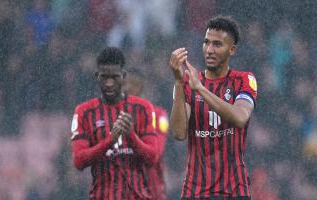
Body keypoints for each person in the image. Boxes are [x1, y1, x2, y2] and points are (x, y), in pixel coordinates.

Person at [169, 16, 258, 200]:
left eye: (217, 44)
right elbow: (178, 133)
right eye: (206, 43)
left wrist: (200, 90)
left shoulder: (244, 80)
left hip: (234, 191)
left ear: (231, 50)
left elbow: (240, 117)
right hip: (195, 191)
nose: (209, 50)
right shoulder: (186, 83)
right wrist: (178, 82)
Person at [70, 47, 158, 200]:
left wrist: (131, 136)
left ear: (123, 76)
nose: (109, 83)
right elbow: (79, 161)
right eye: (104, 77)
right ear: (97, 76)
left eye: (114, 77)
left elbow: (152, 158)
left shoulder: (143, 108)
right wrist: (109, 141)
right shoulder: (83, 112)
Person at [124, 68, 169, 200]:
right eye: (124, 84)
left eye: (131, 83)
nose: (126, 88)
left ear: (140, 86)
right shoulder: (114, 115)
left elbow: (155, 152)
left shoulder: (159, 116)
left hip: (151, 190)